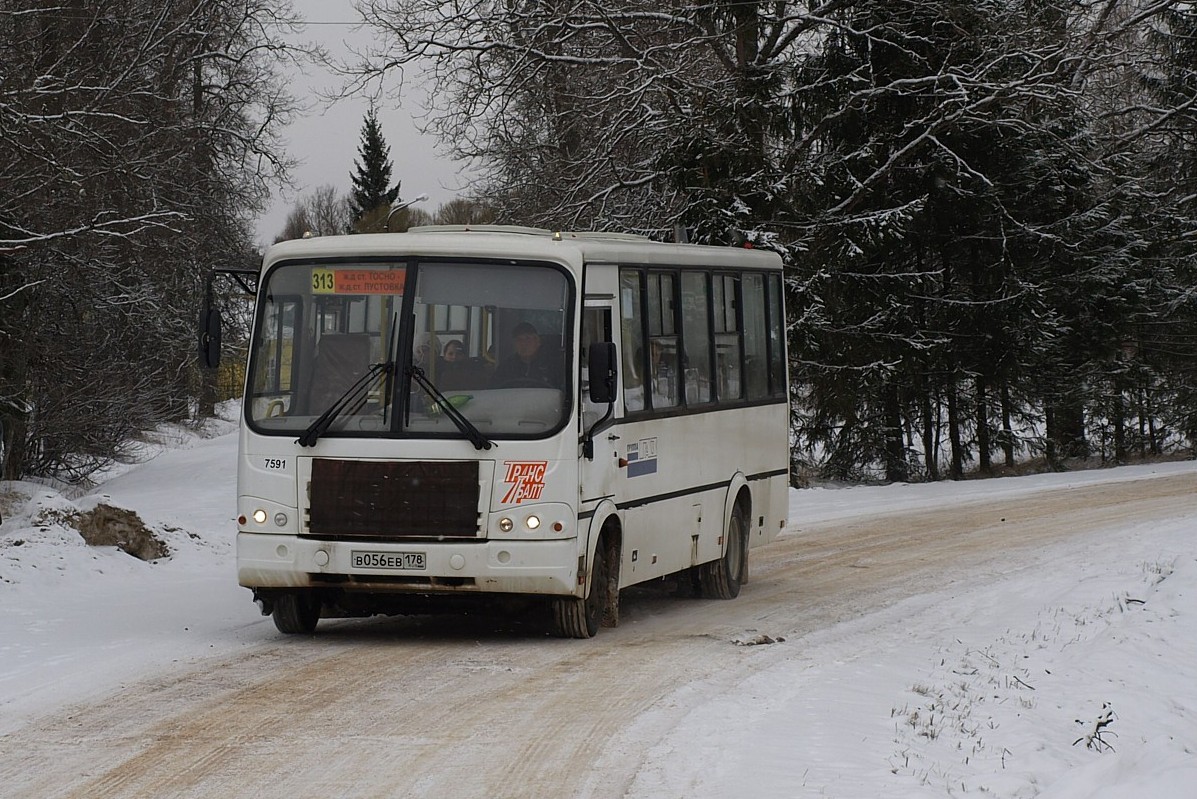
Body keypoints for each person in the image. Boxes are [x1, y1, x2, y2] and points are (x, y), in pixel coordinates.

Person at [491, 322, 563, 387]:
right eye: (519, 339)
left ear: (538, 342)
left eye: (527, 338)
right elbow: (494, 391)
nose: (523, 343)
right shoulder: (506, 367)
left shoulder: (553, 365)